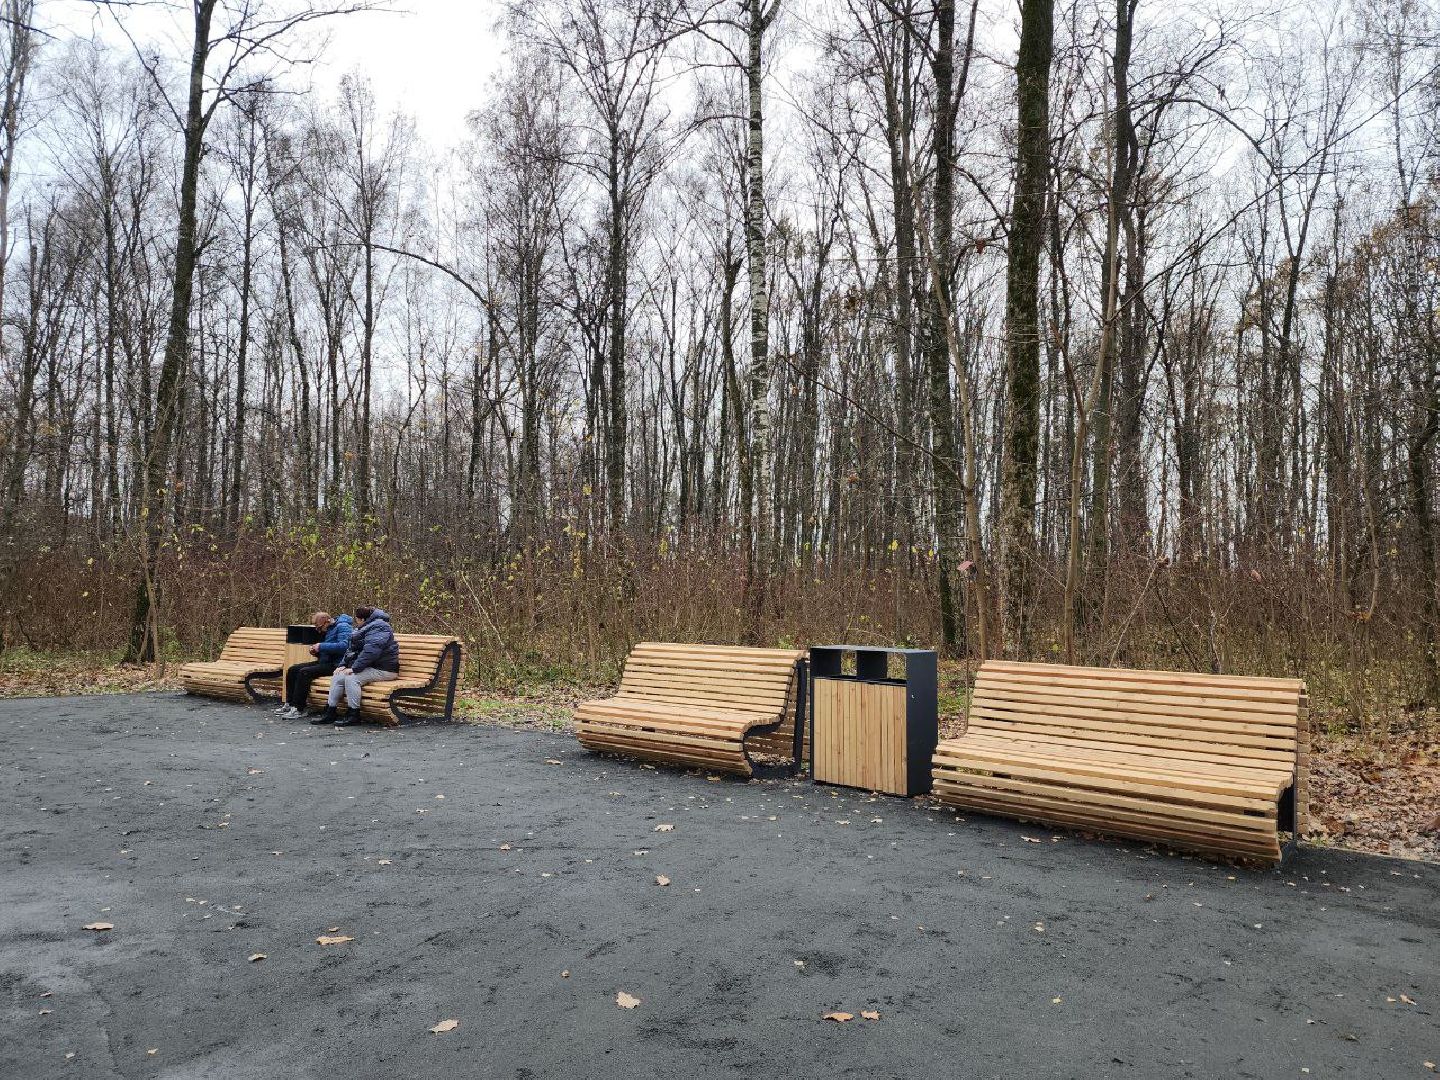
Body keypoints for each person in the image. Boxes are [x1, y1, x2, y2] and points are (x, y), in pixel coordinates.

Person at [316, 606, 400, 727]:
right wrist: (343, 665)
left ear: (361, 619)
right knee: (338, 675)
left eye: (357, 619)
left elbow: (371, 652)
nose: (356, 622)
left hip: (385, 669)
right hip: (370, 667)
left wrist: (354, 669)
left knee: (352, 678)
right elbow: (352, 649)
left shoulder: (380, 627)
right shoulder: (364, 627)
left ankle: (353, 715)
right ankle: (330, 712)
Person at [274, 611, 352, 722]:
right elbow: (328, 649)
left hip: (337, 664)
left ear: (327, 621)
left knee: (304, 672)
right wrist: (316, 652)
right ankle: (289, 704)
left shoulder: (343, 627)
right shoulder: (330, 628)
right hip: (325, 661)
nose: (318, 630)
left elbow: (344, 646)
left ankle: (298, 708)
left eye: (319, 627)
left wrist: (321, 646)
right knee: (293, 669)